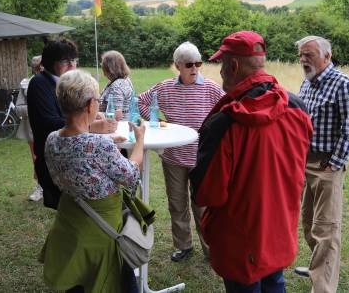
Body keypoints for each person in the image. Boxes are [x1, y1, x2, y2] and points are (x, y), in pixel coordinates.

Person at [189, 31, 312, 292]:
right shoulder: (298, 108)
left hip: (239, 242)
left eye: (223, 64)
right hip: (278, 232)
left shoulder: (224, 122)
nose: (221, 72)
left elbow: (206, 193)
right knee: (274, 283)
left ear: (233, 66)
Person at [40, 69, 145, 293]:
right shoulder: (99, 146)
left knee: (77, 282)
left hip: (69, 225)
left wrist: (107, 145)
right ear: (89, 105)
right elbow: (131, 174)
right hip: (101, 234)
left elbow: (83, 161)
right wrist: (140, 141)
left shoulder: (51, 140)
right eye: (97, 100)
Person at [138, 42, 224, 262]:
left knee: (202, 205)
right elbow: (140, 102)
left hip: (201, 158)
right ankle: (183, 246)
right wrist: (158, 121)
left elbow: (226, 110)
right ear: (178, 66)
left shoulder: (211, 88)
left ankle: (211, 249)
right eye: (189, 64)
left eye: (198, 63)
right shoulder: (165, 87)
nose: (195, 68)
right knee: (177, 204)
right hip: (174, 157)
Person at [293, 36, 349, 293]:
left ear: (327, 56)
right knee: (310, 223)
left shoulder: (344, 84)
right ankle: (317, 267)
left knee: (326, 228)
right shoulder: (307, 83)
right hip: (304, 162)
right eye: (301, 55)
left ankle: (322, 287)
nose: (303, 59)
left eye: (308, 54)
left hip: (326, 165)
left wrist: (333, 166)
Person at [27, 38, 117, 210]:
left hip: (73, 157)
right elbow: (48, 123)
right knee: (75, 208)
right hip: (55, 159)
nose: (72, 65)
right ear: (50, 63)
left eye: (74, 60)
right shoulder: (39, 83)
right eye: (65, 61)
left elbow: (73, 111)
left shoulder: (65, 82)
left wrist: (92, 115)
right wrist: (92, 126)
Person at [16, 55, 43, 202]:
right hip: (32, 128)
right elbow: (18, 109)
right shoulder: (26, 85)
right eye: (38, 68)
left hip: (52, 126)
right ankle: (41, 187)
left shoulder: (55, 82)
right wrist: (34, 108)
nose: (41, 70)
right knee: (36, 158)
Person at [99, 50, 134, 121]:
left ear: (111, 69)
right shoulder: (124, 80)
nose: (104, 74)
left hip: (116, 127)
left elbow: (116, 115)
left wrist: (97, 115)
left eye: (104, 69)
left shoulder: (117, 86)